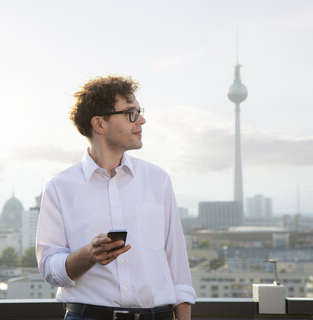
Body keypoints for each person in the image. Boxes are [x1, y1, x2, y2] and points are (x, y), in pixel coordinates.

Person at [36, 76, 196, 320]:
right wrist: (89, 255)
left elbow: (178, 266)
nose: (141, 120)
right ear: (99, 124)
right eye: (130, 113)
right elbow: (49, 268)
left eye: (139, 112)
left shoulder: (158, 180)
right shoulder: (59, 187)